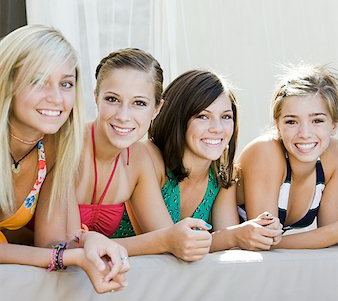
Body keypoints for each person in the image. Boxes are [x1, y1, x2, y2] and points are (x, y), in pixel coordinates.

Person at [0, 24, 129, 293]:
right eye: (38, 81)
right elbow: (56, 255)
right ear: (7, 82)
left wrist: (90, 241)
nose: (57, 98)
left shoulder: (55, 146)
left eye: (66, 83)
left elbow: (53, 243)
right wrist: (66, 256)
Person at [118, 69, 283, 251]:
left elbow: (228, 249)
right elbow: (171, 245)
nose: (217, 128)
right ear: (178, 119)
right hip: (115, 274)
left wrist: (255, 233)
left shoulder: (221, 172)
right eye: (203, 117)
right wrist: (234, 236)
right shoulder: (147, 157)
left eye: (226, 117)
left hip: (174, 277)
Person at [76, 49, 212, 261]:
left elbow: (166, 234)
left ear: (157, 109)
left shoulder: (137, 158)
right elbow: (55, 246)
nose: (123, 116)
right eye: (112, 99)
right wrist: (165, 240)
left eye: (139, 103)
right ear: (96, 98)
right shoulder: (70, 147)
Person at [236, 63, 338, 248]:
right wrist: (330, 234)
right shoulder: (265, 151)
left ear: (333, 125)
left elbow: (331, 240)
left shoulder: (333, 156)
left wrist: (331, 234)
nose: (305, 133)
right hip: (202, 252)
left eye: (317, 120)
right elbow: (265, 239)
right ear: (278, 126)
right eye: (291, 121)